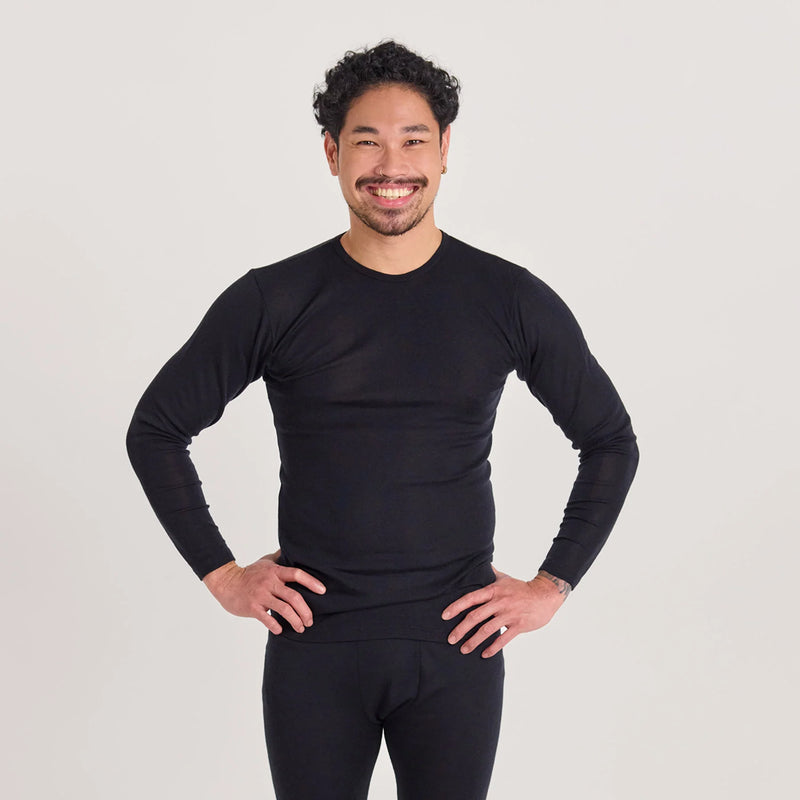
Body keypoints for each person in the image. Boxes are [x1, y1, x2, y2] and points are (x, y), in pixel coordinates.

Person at [126, 40, 639, 800]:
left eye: (413, 140)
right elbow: (157, 430)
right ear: (332, 153)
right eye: (366, 141)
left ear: (445, 150)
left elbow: (609, 441)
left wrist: (552, 584)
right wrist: (224, 576)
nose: (391, 165)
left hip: (457, 648)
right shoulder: (275, 299)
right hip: (315, 651)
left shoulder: (508, 299)